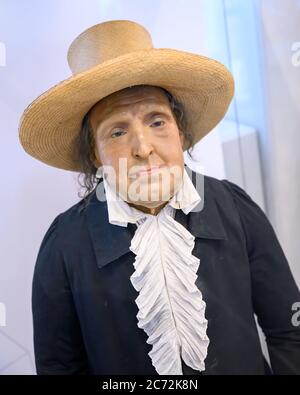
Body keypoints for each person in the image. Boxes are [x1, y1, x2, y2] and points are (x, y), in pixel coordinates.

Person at [18, 20, 300, 375]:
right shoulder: (65, 246)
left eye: (157, 122)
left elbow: (289, 329)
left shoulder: (234, 209)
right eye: (117, 131)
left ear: (180, 132)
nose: (143, 147)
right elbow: (59, 366)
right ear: (94, 153)